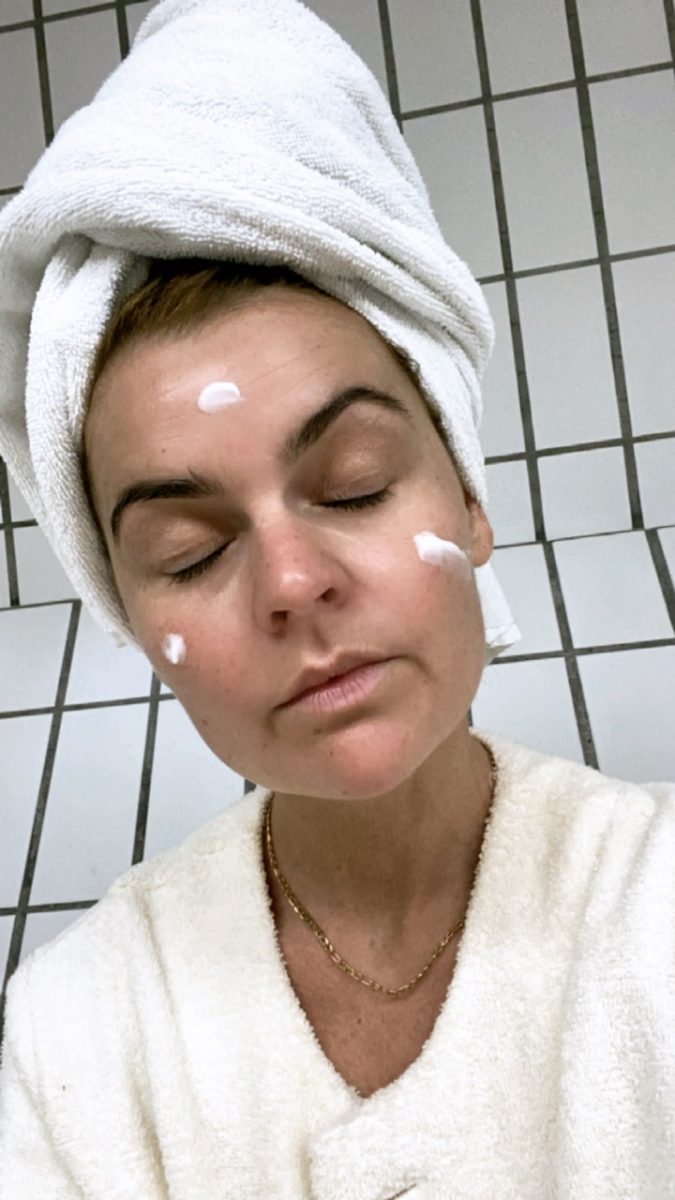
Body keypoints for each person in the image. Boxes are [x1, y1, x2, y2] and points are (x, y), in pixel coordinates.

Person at [0, 3, 674, 1197]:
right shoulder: (75, 1032)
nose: (293, 582)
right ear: (133, 623)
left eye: (354, 484)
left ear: (469, 500)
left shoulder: (656, 908)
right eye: (190, 552)